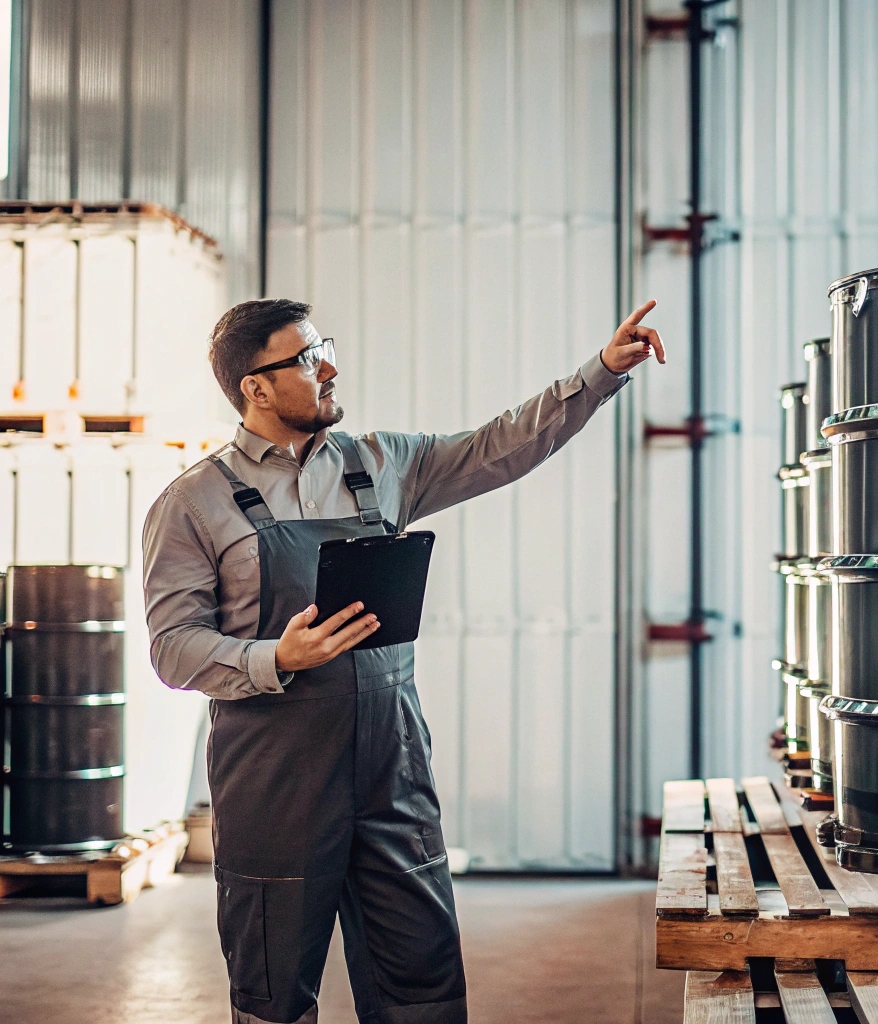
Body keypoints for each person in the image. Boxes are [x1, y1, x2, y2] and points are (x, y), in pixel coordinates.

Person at [141, 298, 664, 1024]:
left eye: (324, 346)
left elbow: (500, 445)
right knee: (273, 989)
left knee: (422, 981)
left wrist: (601, 371)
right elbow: (172, 646)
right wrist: (273, 655)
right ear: (254, 387)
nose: (328, 366)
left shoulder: (382, 464)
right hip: (274, 784)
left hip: (391, 770)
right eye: (303, 357)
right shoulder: (193, 502)